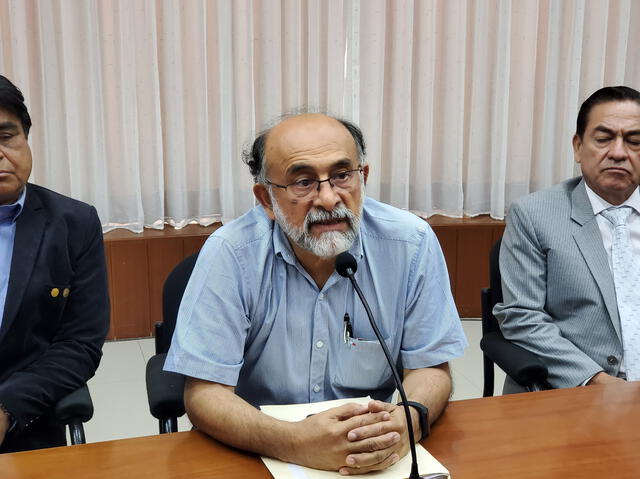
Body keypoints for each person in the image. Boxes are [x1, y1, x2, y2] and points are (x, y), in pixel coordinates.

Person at [164, 112, 467, 474]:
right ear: (266, 199)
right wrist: (293, 442)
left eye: (342, 176)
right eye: (303, 182)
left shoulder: (410, 244)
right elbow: (204, 394)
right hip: (258, 451)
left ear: (363, 178)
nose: (328, 198)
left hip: (374, 453)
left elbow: (431, 368)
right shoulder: (231, 255)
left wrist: (405, 424)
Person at [494, 85, 640, 393]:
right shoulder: (534, 215)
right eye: (603, 139)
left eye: (634, 141)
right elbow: (522, 317)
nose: (618, 152)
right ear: (577, 146)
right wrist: (599, 381)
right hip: (575, 390)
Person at [0, 75, 109, 453]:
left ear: (26, 138)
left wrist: (6, 408)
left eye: (6, 137)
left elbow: (80, 344)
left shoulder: (73, 224)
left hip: (24, 421)